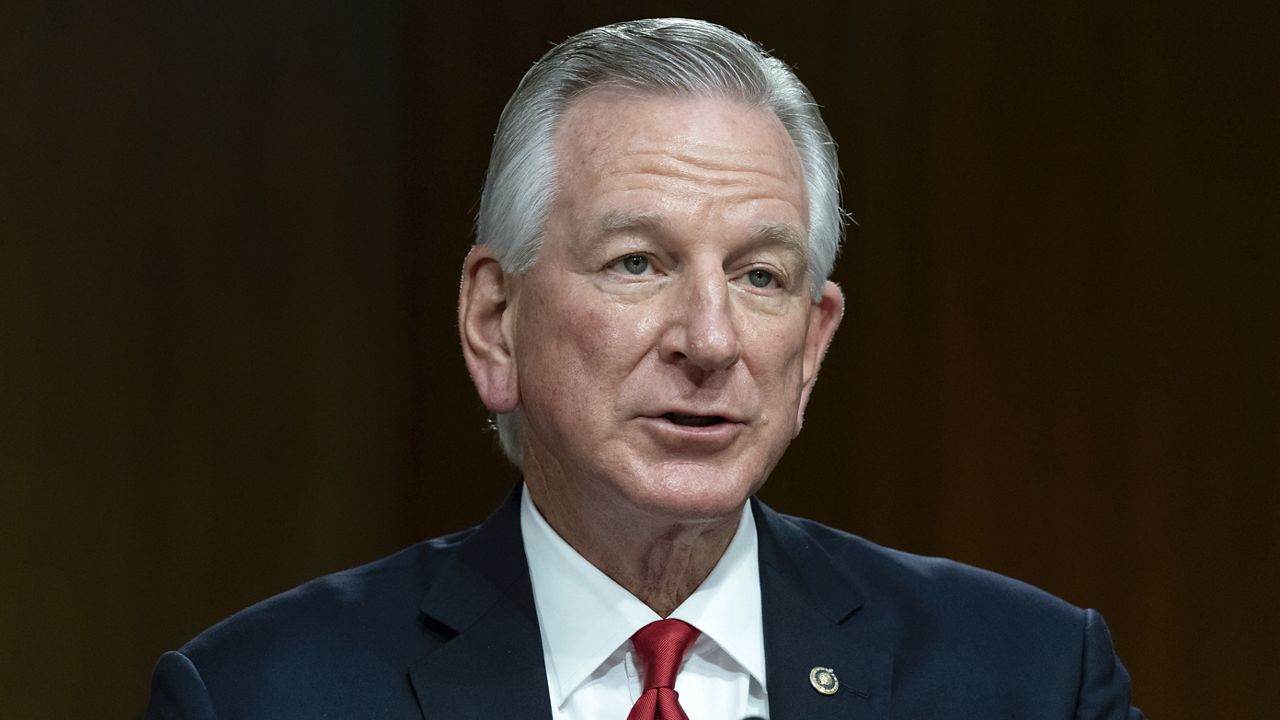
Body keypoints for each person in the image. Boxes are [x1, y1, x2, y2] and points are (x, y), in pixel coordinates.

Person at [145, 18, 1144, 719]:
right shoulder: (258, 695)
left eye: (759, 276)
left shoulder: (1029, 680)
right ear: (494, 321)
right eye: (638, 264)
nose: (708, 341)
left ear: (811, 345)